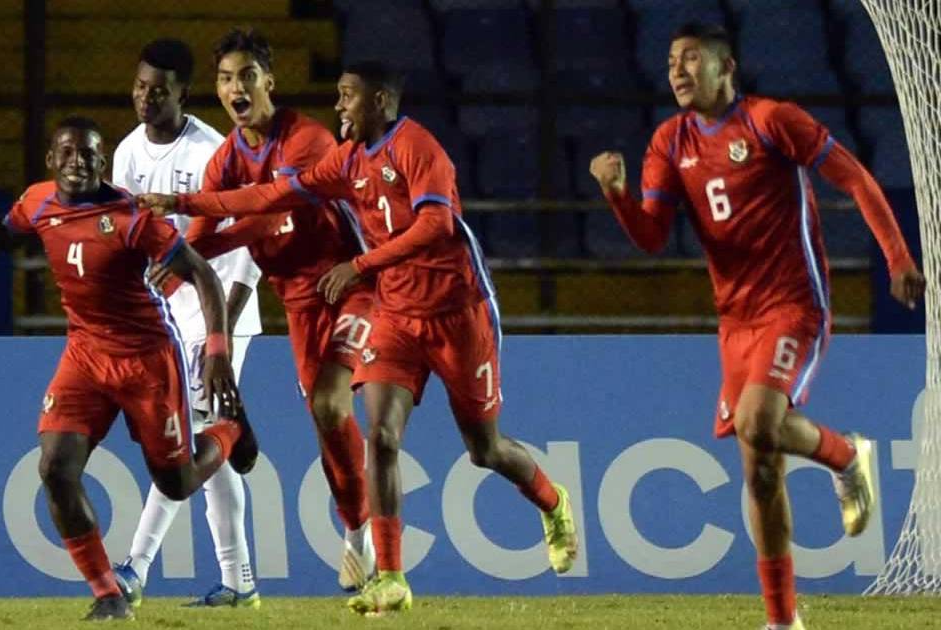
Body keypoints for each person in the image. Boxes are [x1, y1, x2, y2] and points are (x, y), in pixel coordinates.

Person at [140, 60, 579, 616]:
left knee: (483, 449)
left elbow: (436, 226)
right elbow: (271, 197)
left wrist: (361, 265)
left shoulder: (419, 149)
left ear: (380, 102)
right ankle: (391, 576)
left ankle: (552, 501)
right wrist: (182, 205)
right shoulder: (346, 161)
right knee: (383, 436)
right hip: (395, 314)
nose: (338, 106)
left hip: (456, 311)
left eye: (347, 96)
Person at [587, 22, 926, 630]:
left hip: (793, 303)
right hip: (736, 320)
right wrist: (617, 195)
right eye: (671, 60)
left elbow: (853, 176)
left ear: (727, 66)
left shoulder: (772, 121)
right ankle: (783, 619)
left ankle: (844, 456)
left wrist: (898, 257)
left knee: (755, 421)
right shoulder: (669, 142)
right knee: (760, 467)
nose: (677, 70)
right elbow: (652, 237)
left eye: (692, 58)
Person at [0, 116, 258, 621]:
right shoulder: (38, 201)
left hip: (146, 360)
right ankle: (109, 594)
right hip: (86, 356)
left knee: (176, 483)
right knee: (55, 469)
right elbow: (1, 235)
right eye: (67, 153)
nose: (77, 162)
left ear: (102, 161)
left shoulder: (130, 216)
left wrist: (218, 351)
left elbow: (202, 275)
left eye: (88, 154)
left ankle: (227, 429)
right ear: (51, 159)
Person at [149, 28, 378, 596]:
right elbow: (202, 239)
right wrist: (173, 265)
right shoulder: (227, 159)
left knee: (330, 403)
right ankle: (359, 532)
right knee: (327, 423)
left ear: (269, 82)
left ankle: (366, 538)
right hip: (300, 305)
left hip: (352, 284)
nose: (237, 88)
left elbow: (275, 208)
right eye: (226, 79)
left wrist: (186, 209)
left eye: (247, 76)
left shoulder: (307, 140)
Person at [109, 39, 265, 608]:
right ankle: (239, 582)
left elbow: (248, 249)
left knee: (186, 441)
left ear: (184, 94)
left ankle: (135, 568)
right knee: (212, 459)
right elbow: (127, 238)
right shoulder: (127, 152)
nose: (146, 98)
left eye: (159, 90)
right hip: (170, 319)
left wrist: (220, 338)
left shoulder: (211, 153)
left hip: (219, 313)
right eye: (140, 86)